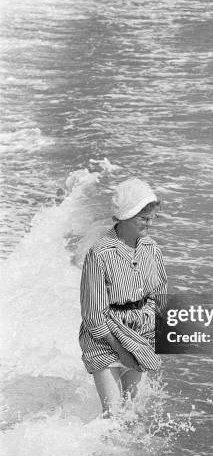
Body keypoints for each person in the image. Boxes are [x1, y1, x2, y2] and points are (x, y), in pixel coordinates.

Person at [79, 177, 167, 418]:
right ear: (125, 216)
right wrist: (121, 351)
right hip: (105, 338)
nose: (150, 223)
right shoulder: (99, 254)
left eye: (153, 217)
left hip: (139, 334)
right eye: (144, 218)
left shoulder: (151, 249)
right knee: (114, 415)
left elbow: (159, 295)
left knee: (134, 414)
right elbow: (93, 316)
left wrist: (155, 336)